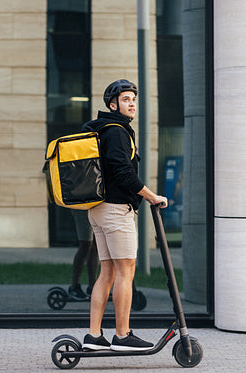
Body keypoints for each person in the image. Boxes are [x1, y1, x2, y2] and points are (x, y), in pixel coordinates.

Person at [80, 79, 168, 351]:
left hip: (98, 209)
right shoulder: (116, 131)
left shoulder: (102, 130)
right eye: (126, 99)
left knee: (106, 271)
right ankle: (122, 335)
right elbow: (123, 172)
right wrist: (151, 196)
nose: (132, 104)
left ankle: (94, 336)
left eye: (133, 100)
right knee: (125, 271)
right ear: (112, 104)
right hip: (116, 210)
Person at [68, 209, 98, 300]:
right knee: (86, 245)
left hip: (93, 206)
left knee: (95, 246)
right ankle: (74, 287)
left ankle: (93, 286)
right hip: (82, 206)